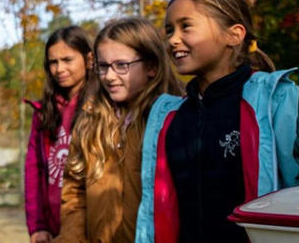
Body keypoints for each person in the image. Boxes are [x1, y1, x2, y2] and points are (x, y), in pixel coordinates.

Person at [135, 0, 299, 243]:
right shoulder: (167, 117)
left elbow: (297, 192)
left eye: (186, 26)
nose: (172, 39)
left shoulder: (275, 100)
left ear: (233, 35)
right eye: (169, 30)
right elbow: (153, 208)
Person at [54, 17, 183, 243]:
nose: (110, 76)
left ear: (152, 66)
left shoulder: (174, 120)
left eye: (121, 65)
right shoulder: (90, 121)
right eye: (103, 66)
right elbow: (74, 194)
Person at [24, 25, 93, 243]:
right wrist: (37, 226)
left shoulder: (102, 107)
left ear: (89, 59)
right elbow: (33, 169)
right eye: (53, 62)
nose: (59, 69)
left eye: (67, 60)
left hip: (91, 225)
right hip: (53, 228)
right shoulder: (44, 112)